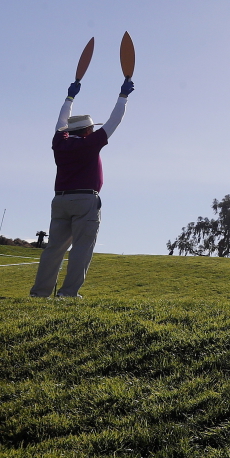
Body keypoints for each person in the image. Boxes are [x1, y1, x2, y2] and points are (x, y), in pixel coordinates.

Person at [30, 74, 134, 298]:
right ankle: (68, 294)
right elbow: (114, 121)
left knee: (54, 250)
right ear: (87, 131)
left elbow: (60, 122)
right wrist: (123, 96)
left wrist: (69, 97)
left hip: (60, 200)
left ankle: (40, 294)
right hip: (85, 200)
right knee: (81, 249)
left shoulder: (59, 142)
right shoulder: (91, 143)